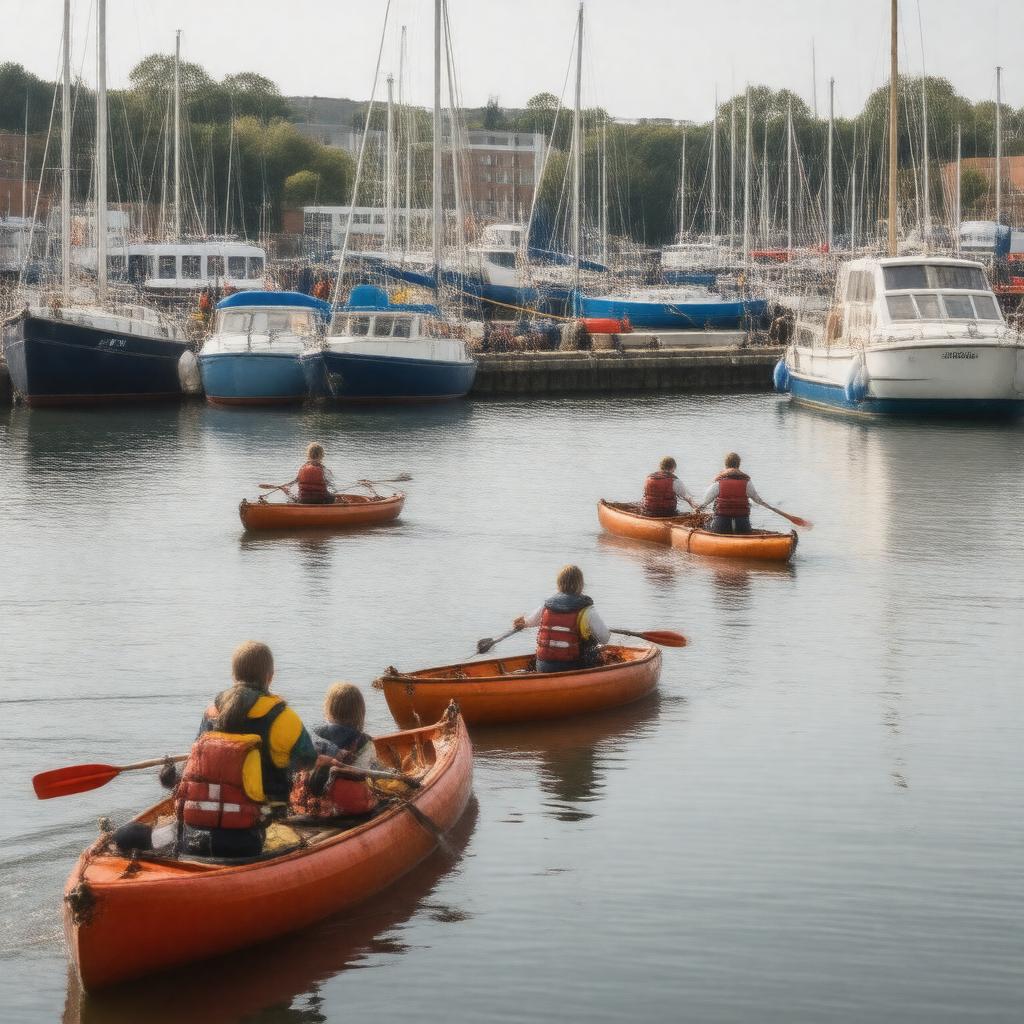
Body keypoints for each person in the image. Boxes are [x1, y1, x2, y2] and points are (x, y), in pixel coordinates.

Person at [291, 683, 379, 818]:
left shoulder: (313, 734)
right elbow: (369, 770)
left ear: (328, 710)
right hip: (346, 803)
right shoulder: (365, 742)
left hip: (308, 802)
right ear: (360, 713)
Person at [513, 565, 611, 673]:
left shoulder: (546, 606)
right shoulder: (587, 610)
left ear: (559, 584)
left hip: (543, 666)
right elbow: (605, 638)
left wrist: (522, 622)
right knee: (593, 648)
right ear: (581, 585)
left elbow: (528, 622)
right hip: (573, 666)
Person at [698, 452, 772, 535]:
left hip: (722, 523)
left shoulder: (718, 482)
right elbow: (758, 500)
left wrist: (698, 508)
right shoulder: (747, 482)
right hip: (742, 524)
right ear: (739, 465)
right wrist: (767, 505)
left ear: (725, 465)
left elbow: (705, 502)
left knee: (707, 525)